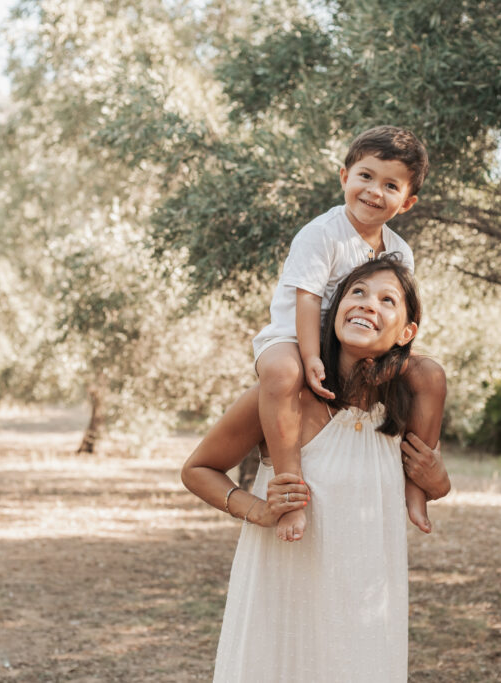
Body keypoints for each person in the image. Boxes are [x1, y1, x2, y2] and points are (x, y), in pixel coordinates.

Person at [182, 256, 448, 682]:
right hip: (283, 603)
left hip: (364, 612)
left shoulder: (399, 408)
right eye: (356, 292)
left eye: (387, 300)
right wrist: (256, 509)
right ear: (334, 308)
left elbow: (411, 484)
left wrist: (438, 483)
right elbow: (199, 468)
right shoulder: (284, 398)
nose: (366, 304)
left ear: (406, 332)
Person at [252, 125, 445, 543]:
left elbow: (397, 309)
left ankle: (416, 484)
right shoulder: (322, 233)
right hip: (291, 336)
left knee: (429, 375)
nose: (374, 191)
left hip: (349, 344)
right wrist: (310, 357)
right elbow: (306, 301)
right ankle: (289, 492)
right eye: (366, 176)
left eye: (390, 185)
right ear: (345, 176)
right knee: (284, 375)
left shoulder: (399, 250)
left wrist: (394, 358)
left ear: (407, 201)